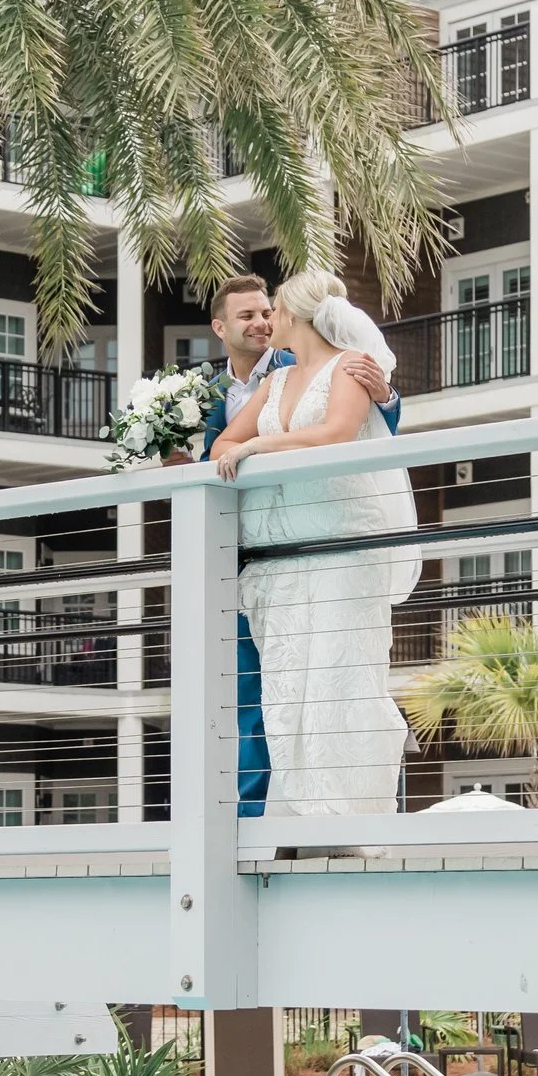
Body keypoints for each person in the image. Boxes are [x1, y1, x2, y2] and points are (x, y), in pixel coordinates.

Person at [180, 274, 401, 815]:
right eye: (248, 316)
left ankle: (347, 814)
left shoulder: (347, 366)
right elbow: (219, 448)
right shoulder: (251, 386)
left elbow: (343, 430)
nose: (263, 322)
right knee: (278, 685)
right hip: (267, 551)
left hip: (336, 539)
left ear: (295, 316)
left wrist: (257, 445)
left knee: (336, 673)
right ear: (220, 328)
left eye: (270, 311)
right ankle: (282, 812)